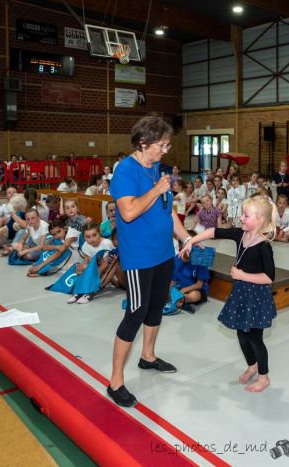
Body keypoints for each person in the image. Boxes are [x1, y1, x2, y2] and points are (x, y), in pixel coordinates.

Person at [107, 116, 189, 408]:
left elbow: (166, 213)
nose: (165, 151)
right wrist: (157, 190)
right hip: (139, 258)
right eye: (161, 145)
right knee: (135, 313)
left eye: (167, 145)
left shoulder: (155, 168)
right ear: (144, 143)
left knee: (157, 306)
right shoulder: (125, 172)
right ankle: (115, 381)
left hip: (163, 253)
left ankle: (148, 356)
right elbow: (128, 213)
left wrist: (185, 237)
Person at [180, 196, 277, 393]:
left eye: (246, 215)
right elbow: (213, 231)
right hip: (241, 292)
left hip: (256, 295)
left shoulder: (264, 246)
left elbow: (269, 277)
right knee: (241, 334)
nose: (240, 218)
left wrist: (243, 275)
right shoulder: (240, 234)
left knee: (255, 338)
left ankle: (264, 376)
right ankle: (252, 365)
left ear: (260, 220)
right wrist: (191, 241)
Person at [171, 236, 210, 313]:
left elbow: (199, 285)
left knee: (195, 295)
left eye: (193, 245)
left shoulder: (200, 261)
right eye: (188, 244)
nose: (190, 248)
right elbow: (172, 281)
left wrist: (184, 290)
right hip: (179, 288)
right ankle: (181, 303)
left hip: (196, 290)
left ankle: (182, 301)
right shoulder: (175, 259)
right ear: (180, 245)